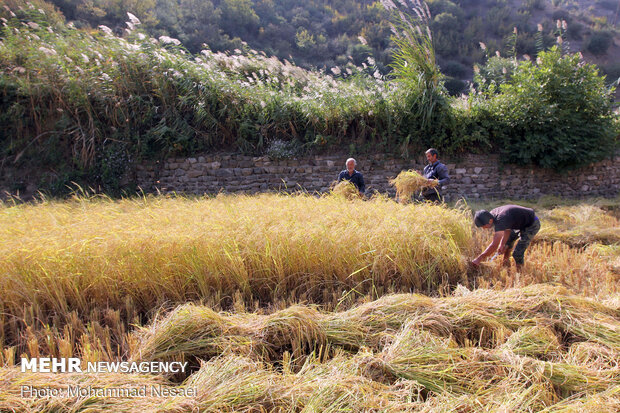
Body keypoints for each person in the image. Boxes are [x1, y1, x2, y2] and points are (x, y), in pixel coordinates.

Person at [471, 204, 541, 271]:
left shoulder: (501, 219)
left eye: (484, 226)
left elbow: (494, 245)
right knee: (506, 244)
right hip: (519, 223)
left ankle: (519, 273)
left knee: (517, 253)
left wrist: (479, 259)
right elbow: (507, 230)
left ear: (490, 221)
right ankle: (506, 263)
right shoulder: (492, 215)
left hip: (531, 224)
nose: (484, 228)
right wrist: (502, 244)